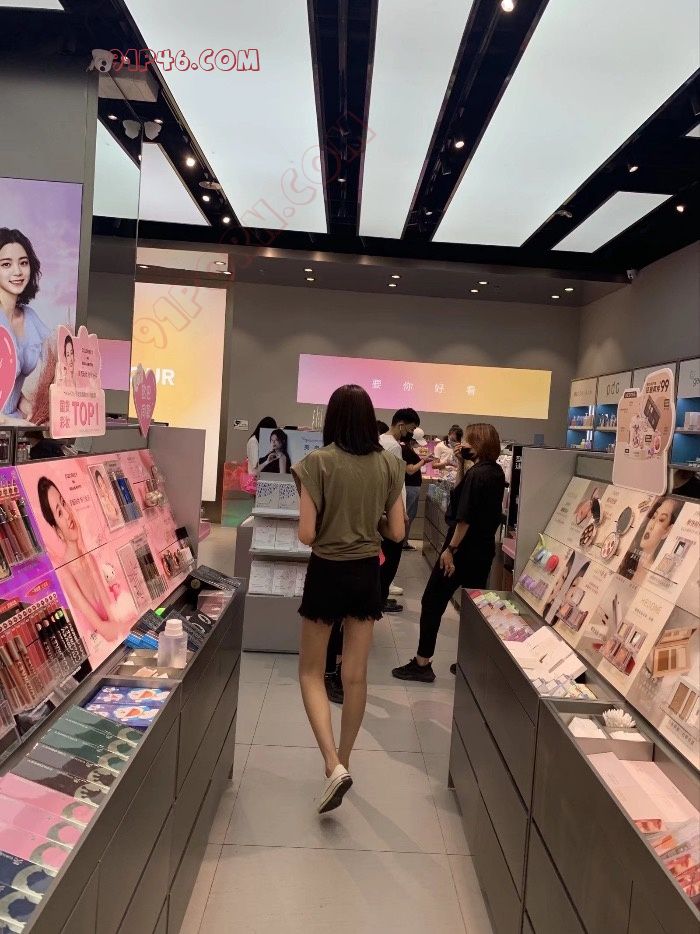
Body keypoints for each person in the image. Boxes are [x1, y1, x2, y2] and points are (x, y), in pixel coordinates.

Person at [292, 384, 405, 813]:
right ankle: (346, 758)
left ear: (333, 418)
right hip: (365, 573)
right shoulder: (390, 464)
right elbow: (397, 532)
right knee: (355, 676)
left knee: (311, 671)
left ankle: (330, 763)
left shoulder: (316, 463)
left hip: (326, 572)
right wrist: (369, 520)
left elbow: (307, 534)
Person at [392, 423, 506, 683]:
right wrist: (461, 464)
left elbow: (464, 517)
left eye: (468, 441)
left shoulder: (478, 475)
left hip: (461, 550)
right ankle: (470, 662)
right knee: (473, 607)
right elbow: (463, 496)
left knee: (432, 601)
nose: (463, 445)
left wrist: (450, 550)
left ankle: (422, 662)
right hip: (482, 551)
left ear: (479, 443)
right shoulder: (494, 472)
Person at [37, 477, 122, 640]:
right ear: (57, 530)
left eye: (64, 503)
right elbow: (106, 632)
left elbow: (111, 615)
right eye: (59, 513)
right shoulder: (65, 572)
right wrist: (126, 626)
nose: (67, 514)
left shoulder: (89, 557)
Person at [0, 229, 50, 420]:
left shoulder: (30, 317)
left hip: (14, 428)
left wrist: (24, 404)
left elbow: (57, 355)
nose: (18, 272)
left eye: (23, 263)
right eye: (6, 264)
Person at [379, 409, 419, 612]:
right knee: (392, 556)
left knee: (384, 554)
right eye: (411, 429)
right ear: (401, 425)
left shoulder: (379, 441)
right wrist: (401, 512)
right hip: (393, 507)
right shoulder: (393, 446)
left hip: (382, 507)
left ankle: (379, 596)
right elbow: (395, 482)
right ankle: (380, 598)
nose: (410, 433)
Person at [619, 497, 682, 585]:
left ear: (667, 531)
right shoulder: (626, 559)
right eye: (653, 517)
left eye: (661, 520)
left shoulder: (657, 575)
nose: (651, 526)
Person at [401, 426, 433, 549]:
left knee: (410, 515)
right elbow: (410, 470)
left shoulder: (407, 449)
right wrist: (423, 461)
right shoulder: (406, 451)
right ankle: (402, 542)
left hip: (412, 486)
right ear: (412, 440)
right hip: (410, 486)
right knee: (408, 515)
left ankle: (404, 541)